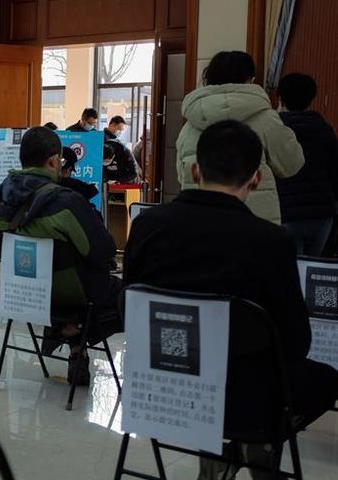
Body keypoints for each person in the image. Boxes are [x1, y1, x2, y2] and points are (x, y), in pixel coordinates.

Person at [124, 120, 338, 480]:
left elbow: (132, 301)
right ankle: (256, 443)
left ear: (195, 169)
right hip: (245, 394)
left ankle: (225, 450)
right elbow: (295, 342)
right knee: (325, 379)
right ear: (255, 178)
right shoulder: (270, 241)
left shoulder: (149, 224)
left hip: (163, 382)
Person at [0, 126, 122, 384]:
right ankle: (75, 333)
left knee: (68, 281)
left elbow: (2, 248)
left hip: (24, 294)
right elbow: (104, 251)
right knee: (125, 295)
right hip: (73, 296)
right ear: (52, 161)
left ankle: (65, 332)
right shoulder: (67, 202)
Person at [176, 50, 304, 224]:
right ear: (250, 80)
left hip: (200, 222)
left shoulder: (190, 125)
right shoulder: (266, 119)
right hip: (254, 223)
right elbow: (291, 164)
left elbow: (181, 174)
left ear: (208, 79)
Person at [275, 73, 338, 256]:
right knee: (311, 270)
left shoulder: (275, 131)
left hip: (284, 212)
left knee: (288, 273)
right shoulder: (323, 130)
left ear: (280, 99)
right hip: (320, 215)